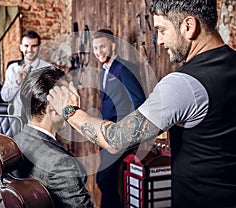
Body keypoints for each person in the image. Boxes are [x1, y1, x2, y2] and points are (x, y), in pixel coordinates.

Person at [47, 0, 236, 207]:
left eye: (162, 30)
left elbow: (116, 139)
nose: (161, 41)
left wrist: (70, 111)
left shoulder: (182, 84)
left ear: (188, 26)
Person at [14, 66, 93, 208]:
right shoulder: (61, 163)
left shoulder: (17, 139)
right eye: (65, 99)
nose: (70, 103)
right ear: (50, 106)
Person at [92, 29, 145, 207]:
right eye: (95, 48)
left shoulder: (124, 67)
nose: (98, 52)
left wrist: (128, 132)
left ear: (113, 45)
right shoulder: (103, 72)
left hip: (122, 135)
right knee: (109, 181)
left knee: (103, 179)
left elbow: (138, 101)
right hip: (107, 133)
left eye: (102, 47)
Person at [0, 30, 51, 123]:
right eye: (26, 46)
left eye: (34, 46)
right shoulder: (13, 69)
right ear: (21, 47)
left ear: (39, 47)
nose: (30, 50)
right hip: (17, 121)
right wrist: (18, 83)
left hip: (41, 121)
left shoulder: (48, 69)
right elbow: (5, 97)